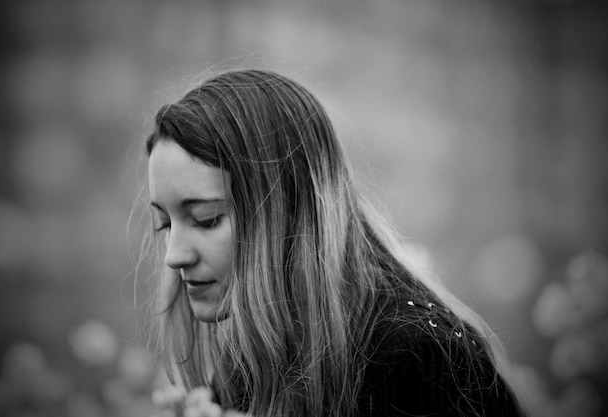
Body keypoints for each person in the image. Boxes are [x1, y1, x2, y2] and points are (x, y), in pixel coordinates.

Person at [143, 69, 531, 417]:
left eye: (206, 219)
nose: (175, 256)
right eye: (164, 224)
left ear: (288, 211)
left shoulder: (415, 357)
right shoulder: (253, 360)